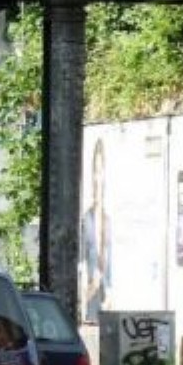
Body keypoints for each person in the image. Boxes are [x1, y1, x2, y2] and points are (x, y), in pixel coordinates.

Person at [80, 138, 111, 322]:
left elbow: (110, 256)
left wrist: (110, 288)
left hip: (105, 291)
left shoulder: (108, 219)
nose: (98, 178)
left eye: (101, 171)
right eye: (95, 171)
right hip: (91, 291)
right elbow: (82, 258)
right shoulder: (87, 219)